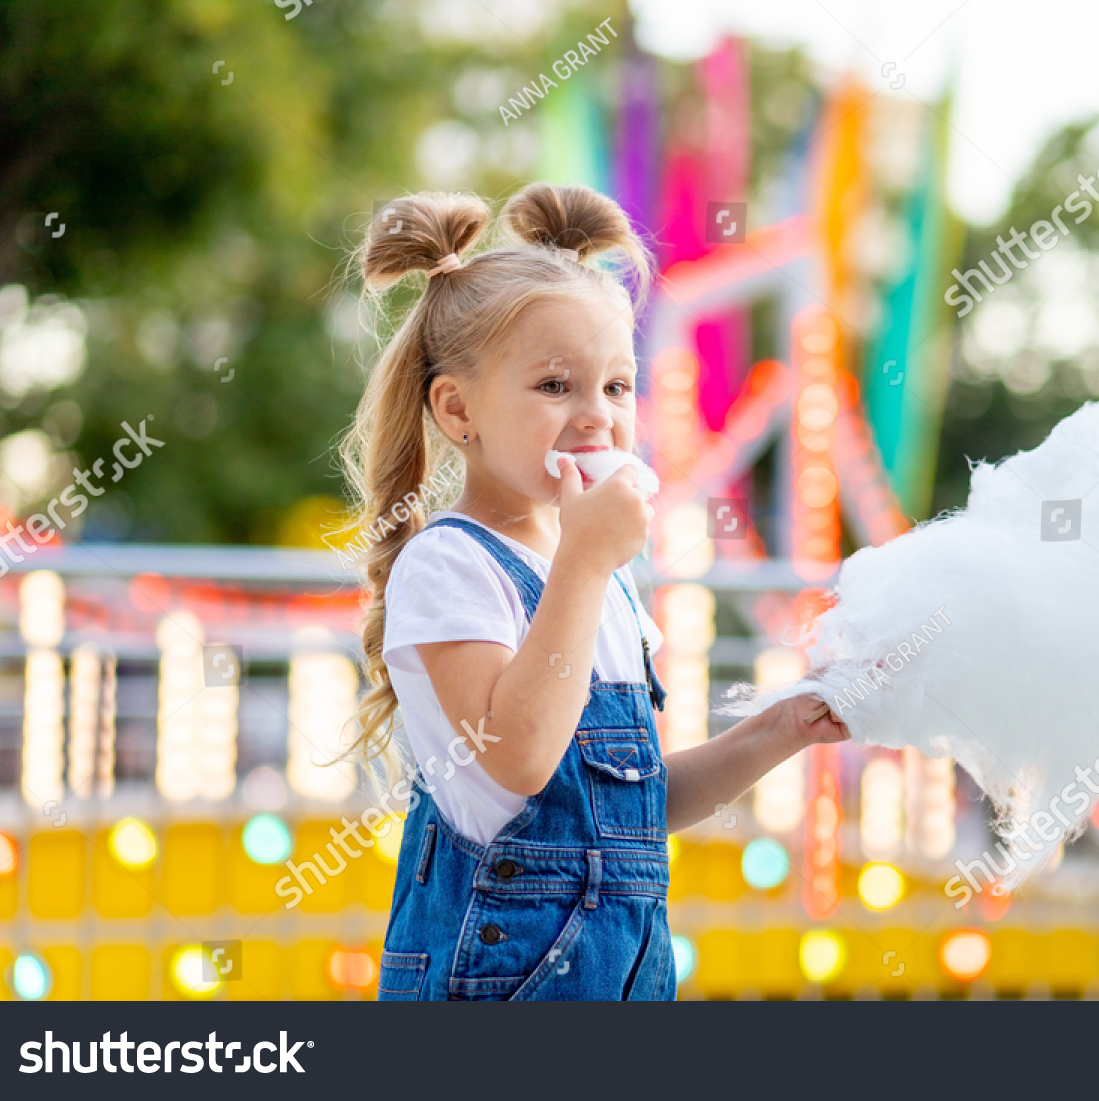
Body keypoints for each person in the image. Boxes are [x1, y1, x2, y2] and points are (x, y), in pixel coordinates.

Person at [339, 182, 850, 1001]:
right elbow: (520, 757)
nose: (597, 418)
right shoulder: (450, 565)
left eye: (616, 387)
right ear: (458, 408)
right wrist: (582, 562)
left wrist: (780, 727)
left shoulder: (601, 579)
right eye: (553, 386)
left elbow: (636, 808)